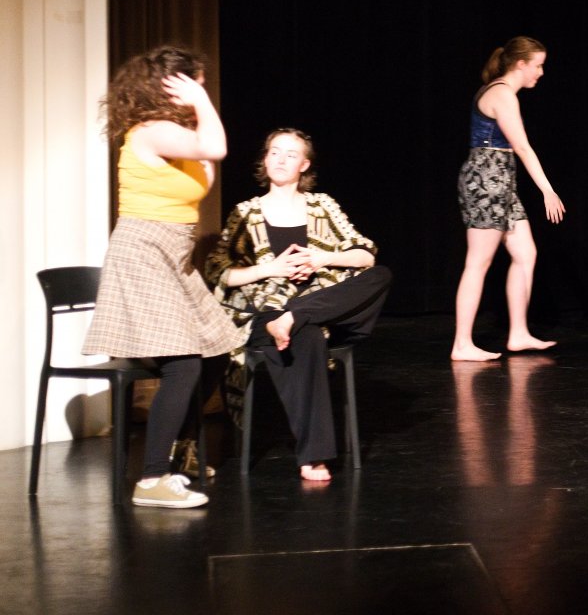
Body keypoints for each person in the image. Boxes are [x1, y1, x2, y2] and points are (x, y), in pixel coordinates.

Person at [82, 45, 242, 508]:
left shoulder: (174, 137)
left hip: (175, 253)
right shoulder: (153, 130)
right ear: (172, 86)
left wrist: (198, 114)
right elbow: (217, 149)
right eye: (194, 84)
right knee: (183, 363)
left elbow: (202, 177)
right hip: (144, 250)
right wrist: (202, 102)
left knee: (217, 348)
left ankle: (183, 448)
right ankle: (151, 478)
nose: (200, 93)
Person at [205, 128, 392, 483]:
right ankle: (313, 456)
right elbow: (219, 272)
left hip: (317, 306)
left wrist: (322, 259)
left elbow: (365, 255)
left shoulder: (322, 206)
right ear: (264, 159)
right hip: (266, 311)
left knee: (380, 275)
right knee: (308, 338)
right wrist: (270, 269)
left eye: (291, 154)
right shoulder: (246, 212)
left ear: (304, 165)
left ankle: (296, 317)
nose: (280, 159)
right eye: (274, 152)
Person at [451, 36, 565, 362]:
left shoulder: (504, 93)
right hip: (486, 182)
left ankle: (518, 333)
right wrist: (547, 189)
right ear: (520, 64)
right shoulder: (502, 94)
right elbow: (523, 147)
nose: (540, 73)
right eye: (537, 66)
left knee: (525, 253)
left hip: (501, 181)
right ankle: (461, 343)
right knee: (479, 261)